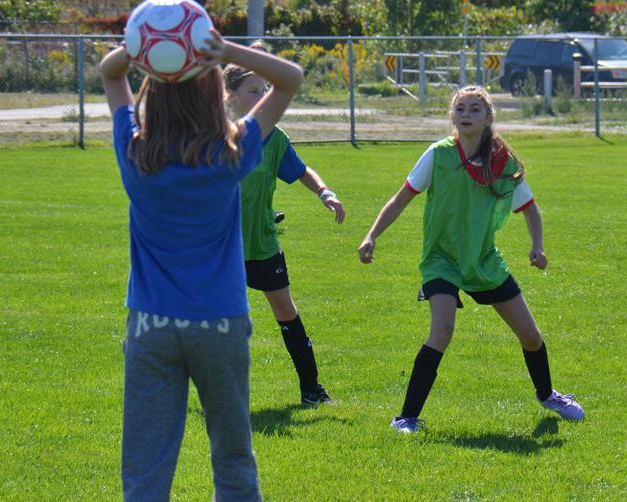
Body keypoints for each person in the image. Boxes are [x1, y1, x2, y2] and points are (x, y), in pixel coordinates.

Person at [100, 30, 303, 501]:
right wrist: (224, 51)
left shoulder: (135, 152)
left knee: (145, 467)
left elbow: (110, 73)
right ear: (216, 95)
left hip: (151, 325)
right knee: (233, 458)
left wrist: (144, 44)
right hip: (219, 324)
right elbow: (290, 78)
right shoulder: (231, 152)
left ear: (152, 96)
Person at [357, 85, 585, 433]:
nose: (466, 114)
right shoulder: (438, 155)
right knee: (442, 330)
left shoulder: (501, 161)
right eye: (460, 108)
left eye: (475, 109)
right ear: (452, 116)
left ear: (489, 117)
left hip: (483, 260)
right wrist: (372, 235)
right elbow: (401, 198)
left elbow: (530, 209)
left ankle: (548, 395)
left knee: (530, 336)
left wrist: (537, 246)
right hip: (442, 261)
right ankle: (406, 418)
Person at [224, 59, 345, 406]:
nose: (263, 97)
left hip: (261, 243)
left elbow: (302, 170)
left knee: (286, 312)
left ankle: (312, 390)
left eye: (265, 90)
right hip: (220, 248)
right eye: (253, 91)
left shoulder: (274, 139)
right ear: (230, 95)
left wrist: (325, 192)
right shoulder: (214, 137)